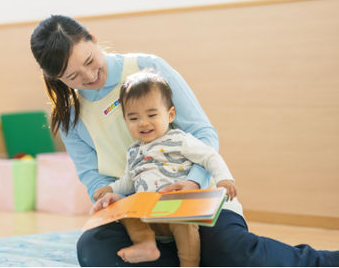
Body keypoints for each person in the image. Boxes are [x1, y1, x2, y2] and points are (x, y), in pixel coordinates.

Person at [30, 14, 339, 267]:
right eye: (73, 76)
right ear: (56, 78)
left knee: (231, 251)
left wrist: (192, 182)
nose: (88, 75)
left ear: (94, 39)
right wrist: (112, 199)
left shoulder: (147, 68)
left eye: (89, 60)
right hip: (138, 217)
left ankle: (322, 262)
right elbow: (93, 178)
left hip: (194, 201)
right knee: (93, 249)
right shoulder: (69, 116)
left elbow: (204, 134)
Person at [91, 70, 237, 266]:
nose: (143, 123)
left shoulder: (178, 139)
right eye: (133, 118)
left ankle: (189, 263)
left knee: (183, 223)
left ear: (170, 115)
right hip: (147, 214)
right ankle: (146, 245)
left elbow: (209, 156)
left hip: (176, 210)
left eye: (151, 114)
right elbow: (129, 180)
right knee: (125, 209)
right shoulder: (133, 151)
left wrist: (224, 178)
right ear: (125, 120)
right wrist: (111, 189)